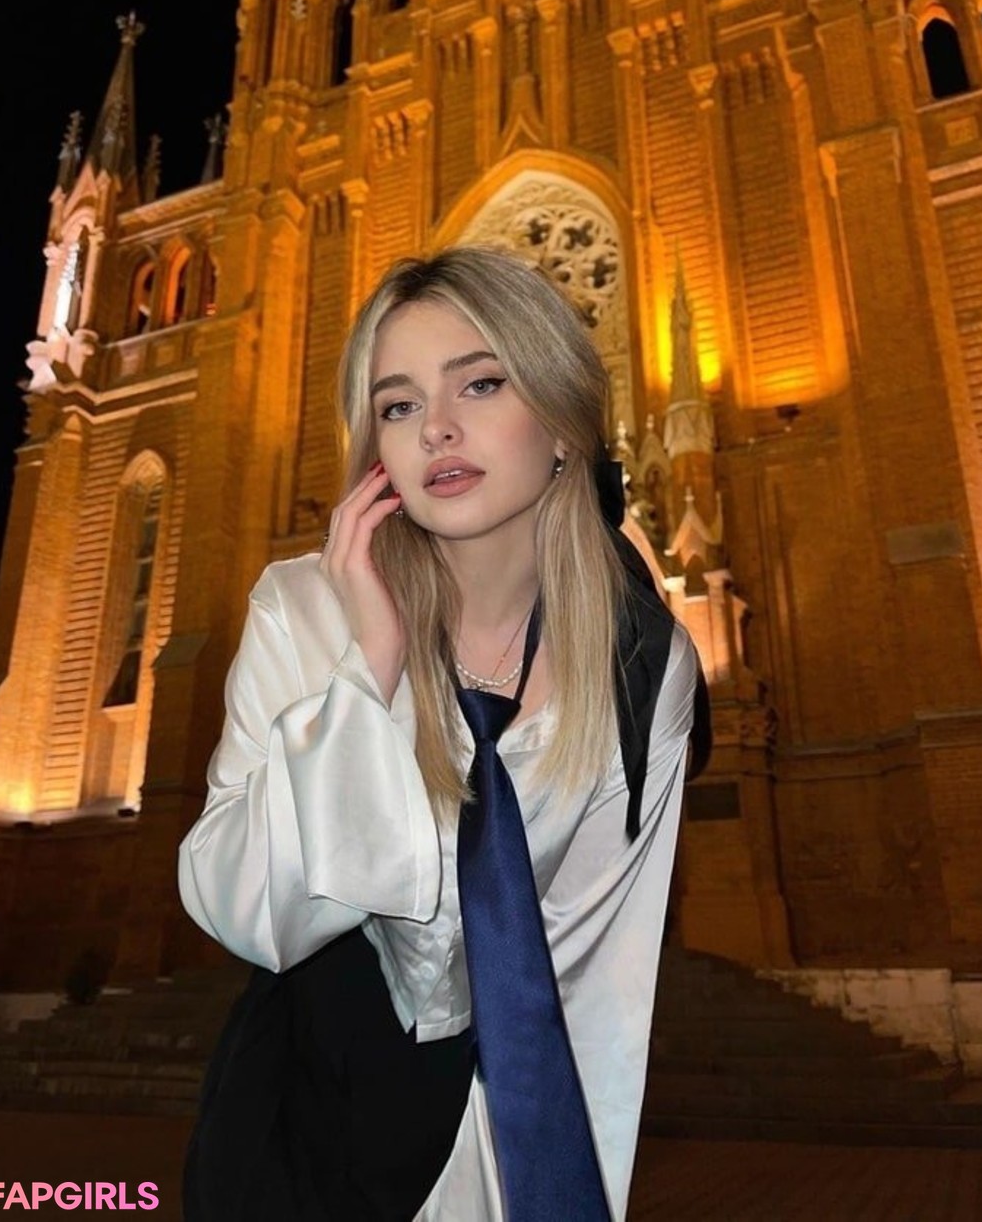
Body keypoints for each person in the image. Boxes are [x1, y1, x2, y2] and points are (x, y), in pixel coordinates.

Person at [178, 244, 709, 1221]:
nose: (437, 427)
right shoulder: (302, 610)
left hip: (494, 1124)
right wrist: (369, 669)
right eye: (398, 403)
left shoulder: (643, 665)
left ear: (562, 424)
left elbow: (598, 977)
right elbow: (249, 911)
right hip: (292, 1125)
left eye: (481, 382)